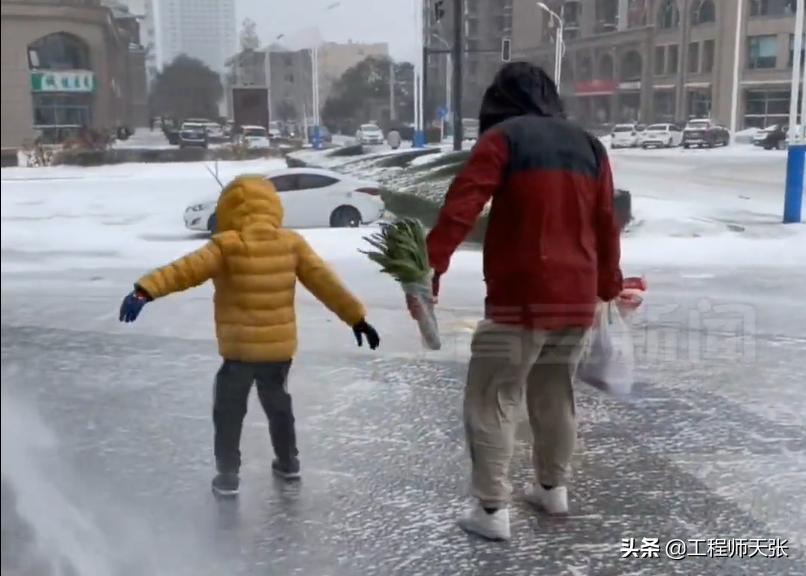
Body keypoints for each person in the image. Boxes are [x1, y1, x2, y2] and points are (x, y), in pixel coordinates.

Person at [425, 62, 623, 540]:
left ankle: (492, 512)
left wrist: (430, 265)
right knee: (555, 393)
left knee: (493, 397)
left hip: (520, 297)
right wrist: (608, 287)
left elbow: (462, 204)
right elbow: (605, 222)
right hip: (576, 299)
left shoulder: (504, 139)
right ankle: (552, 490)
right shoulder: (589, 145)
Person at [119, 176, 380, 497]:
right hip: (278, 351)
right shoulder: (291, 243)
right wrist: (356, 318)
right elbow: (326, 283)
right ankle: (288, 462)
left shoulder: (226, 245)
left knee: (228, 410)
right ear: (272, 206)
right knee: (278, 403)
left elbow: (183, 271)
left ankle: (228, 476)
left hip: (240, 351)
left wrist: (145, 291)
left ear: (229, 208)